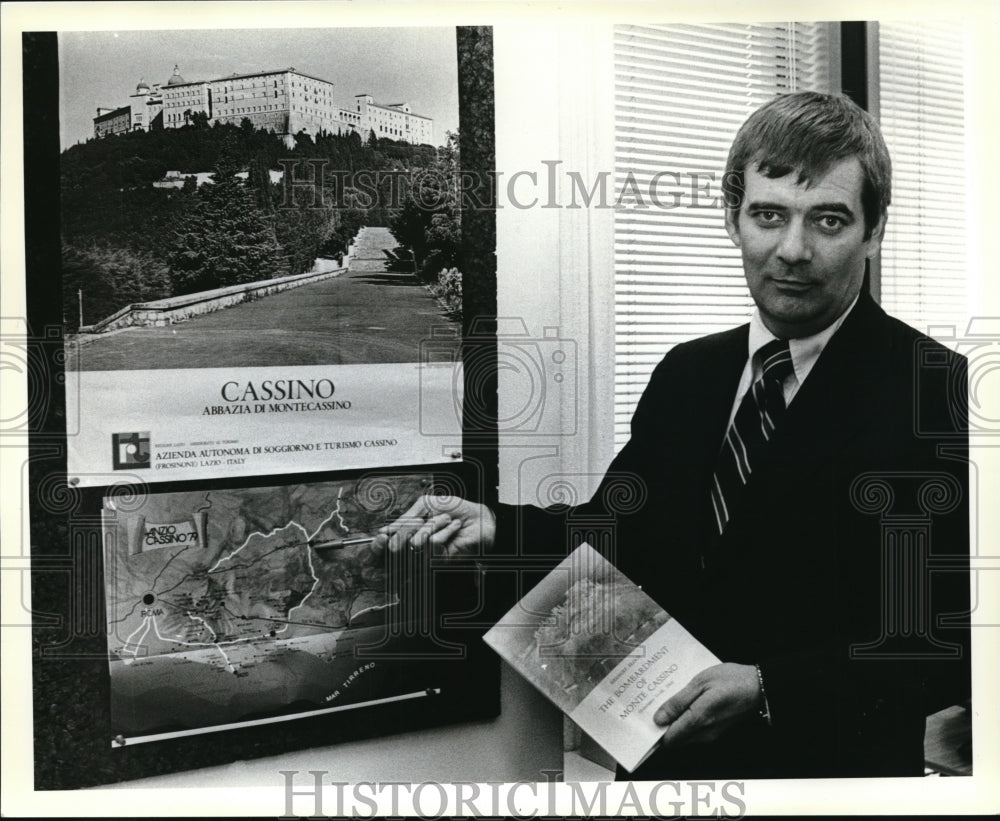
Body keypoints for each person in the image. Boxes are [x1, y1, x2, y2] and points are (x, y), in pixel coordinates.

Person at [377, 92, 970, 779]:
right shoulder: (689, 371)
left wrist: (771, 686)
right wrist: (493, 527)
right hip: (665, 776)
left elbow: (959, 638)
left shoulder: (939, 392)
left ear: (874, 231)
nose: (793, 250)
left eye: (829, 220)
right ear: (733, 219)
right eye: (768, 215)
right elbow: (615, 536)